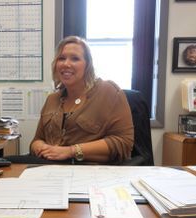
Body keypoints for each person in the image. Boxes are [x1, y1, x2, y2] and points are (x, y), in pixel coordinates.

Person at [29, 36, 134, 165]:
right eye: (61, 58)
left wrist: (71, 151)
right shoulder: (52, 99)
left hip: (91, 172)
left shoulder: (109, 92)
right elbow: (37, 139)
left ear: (87, 65)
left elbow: (124, 143)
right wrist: (39, 146)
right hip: (50, 168)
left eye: (75, 58)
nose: (66, 64)